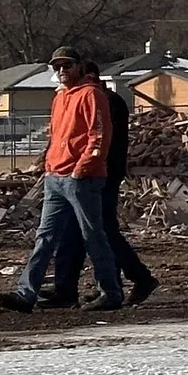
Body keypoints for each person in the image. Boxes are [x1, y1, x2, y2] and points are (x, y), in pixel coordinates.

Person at [0, 47, 123, 312]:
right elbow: (55, 136)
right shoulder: (60, 97)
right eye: (57, 67)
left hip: (81, 179)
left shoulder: (91, 95)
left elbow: (99, 136)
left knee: (92, 235)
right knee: (45, 237)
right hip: (56, 176)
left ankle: (110, 292)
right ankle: (25, 294)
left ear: (78, 66)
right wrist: (48, 165)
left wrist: (82, 168)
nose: (62, 70)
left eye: (67, 65)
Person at [47, 79, 158, 307]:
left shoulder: (104, 102)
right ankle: (73, 287)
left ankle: (129, 280)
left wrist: (83, 167)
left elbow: (99, 139)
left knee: (99, 231)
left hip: (99, 176)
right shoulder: (100, 100)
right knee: (81, 232)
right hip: (94, 174)